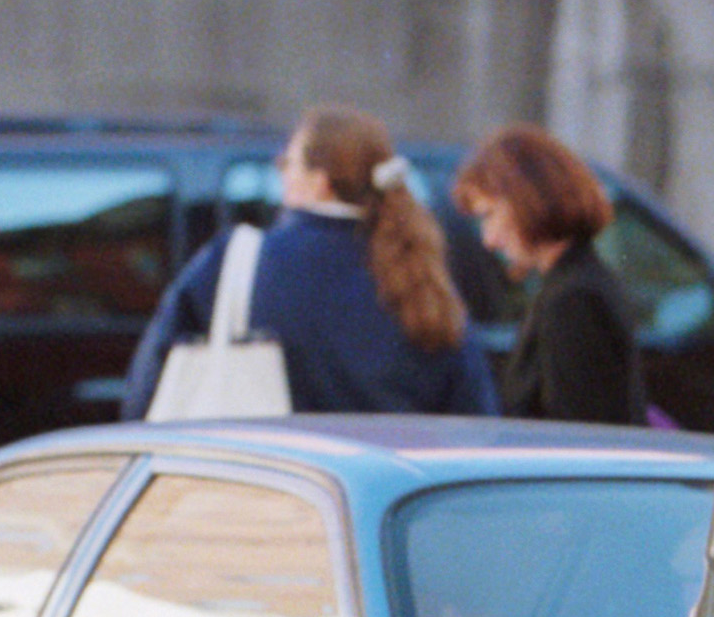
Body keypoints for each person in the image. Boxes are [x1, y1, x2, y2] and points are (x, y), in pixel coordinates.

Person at [117, 105, 490, 421]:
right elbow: (475, 412)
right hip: (386, 497)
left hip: (273, 492)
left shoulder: (238, 261)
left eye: (287, 162)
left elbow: (146, 387)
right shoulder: (421, 277)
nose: (281, 172)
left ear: (320, 181)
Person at [453, 124, 648, 427]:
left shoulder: (573, 299)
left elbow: (580, 438)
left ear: (528, 200)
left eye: (489, 215)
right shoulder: (573, 284)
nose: (488, 240)